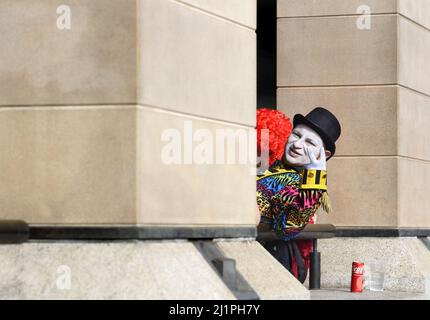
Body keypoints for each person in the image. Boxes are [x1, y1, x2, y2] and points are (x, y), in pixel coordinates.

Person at [256, 107, 341, 281]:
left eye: (309, 143)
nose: (297, 144)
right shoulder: (267, 162)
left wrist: (315, 175)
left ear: (323, 155)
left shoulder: (298, 182)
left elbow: (288, 228)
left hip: (266, 264)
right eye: (296, 135)